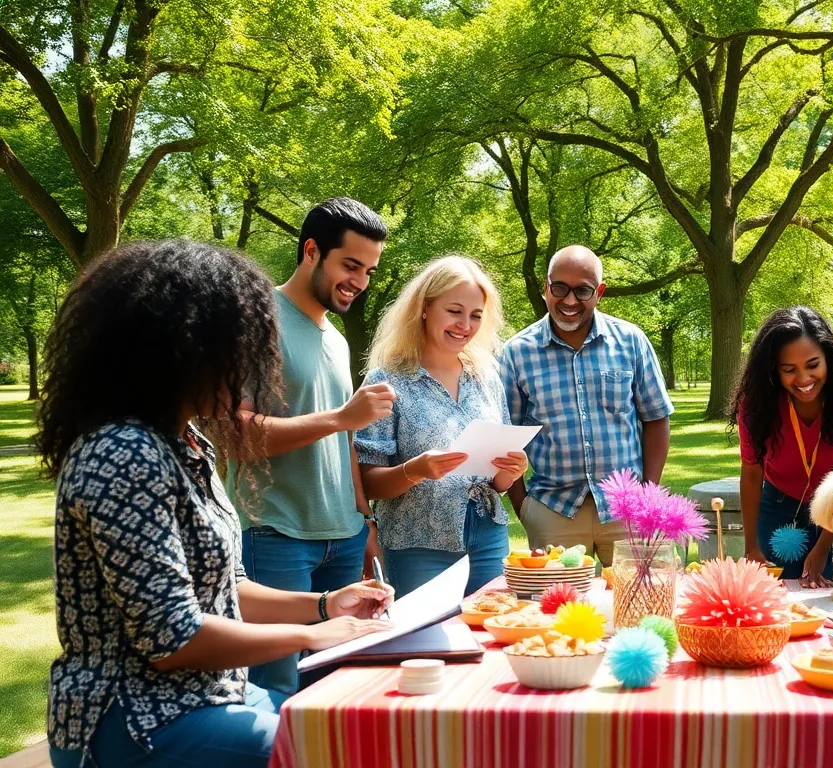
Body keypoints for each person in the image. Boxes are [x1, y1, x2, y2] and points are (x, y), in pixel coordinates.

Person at [37, 241, 393, 768]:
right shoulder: (122, 453)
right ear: (181, 351)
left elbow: (232, 590)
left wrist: (326, 603)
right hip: (132, 719)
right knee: (341, 748)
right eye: (239, 350)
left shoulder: (186, 445)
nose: (253, 367)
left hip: (210, 696)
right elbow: (173, 637)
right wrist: (312, 634)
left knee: (344, 720)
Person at [225, 197, 393, 695]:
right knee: (276, 685)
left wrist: (365, 522)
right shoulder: (254, 320)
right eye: (350, 265)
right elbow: (235, 436)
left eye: (368, 270)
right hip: (275, 534)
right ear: (311, 251)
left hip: (343, 537)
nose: (360, 281)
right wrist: (341, 417)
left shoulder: (337, 339)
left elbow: (346, 443)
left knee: (340, 683)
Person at [355, 256, 527, 596]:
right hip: (416, 542)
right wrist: (415, 470)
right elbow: (367, 483)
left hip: (488, 536)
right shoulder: (386, 381)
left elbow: (497, 482)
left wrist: (511, 470)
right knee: (427, 645)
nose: (465, 324)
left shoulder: (487, 376)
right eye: (454, 311)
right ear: (425, 308)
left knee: (487, 637)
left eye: (476, 315)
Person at [500, 245, 674, 567]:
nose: (569, 301)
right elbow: (505, 437)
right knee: (553, 614)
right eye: (559, 288)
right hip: (553, 509)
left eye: (582, 290)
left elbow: (656, 418)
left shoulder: (631, 341)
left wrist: (648, 495)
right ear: (545, 287)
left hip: (628, 510)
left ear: (600, 293)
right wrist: (525, 508)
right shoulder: (515, 354)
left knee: (643, 609)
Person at [729, 306, 833, 588]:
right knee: (776, 597)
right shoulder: (754, 405)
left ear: (829, 359)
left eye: (812, 365)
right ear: (773, 369)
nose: (804, 379)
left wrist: (822, 548)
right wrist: (751, 547)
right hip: (777, 505)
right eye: (789, 370)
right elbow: (750, 473)